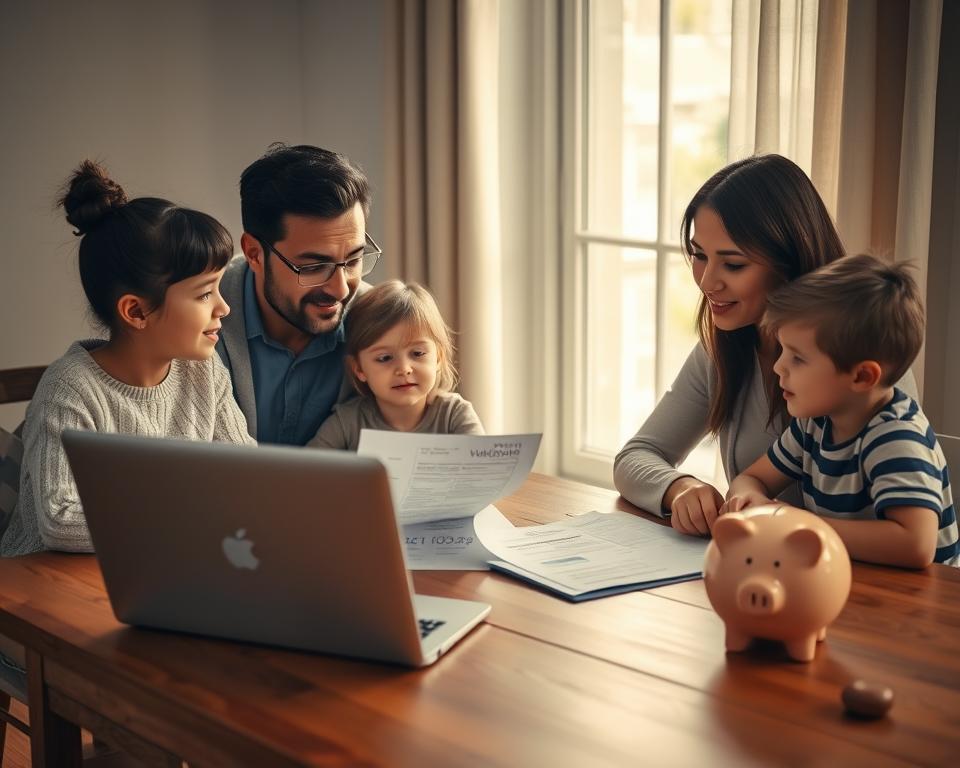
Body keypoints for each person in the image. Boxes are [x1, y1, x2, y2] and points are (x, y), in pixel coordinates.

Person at [613, 154, 918, 536]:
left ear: (790, 261)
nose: (707, 282)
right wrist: (680, 489)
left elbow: (910, 538)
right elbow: (635, 457)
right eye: (699, 255)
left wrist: (789, 524)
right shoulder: (721, 350)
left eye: (734, 265)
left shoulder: (867, 359)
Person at [0, 161, 254, 557]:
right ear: (135, 312)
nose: (223, 307)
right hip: (43, 581)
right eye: (205, 294)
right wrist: (193, 513)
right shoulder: (70, 388)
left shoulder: (205, 372)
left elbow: (248, 475)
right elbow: (60, 520)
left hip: (148, 563)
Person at [722, 254, 956, 568]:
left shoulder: (896, 438)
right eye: (783, 351)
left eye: (798, 358)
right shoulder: (814, 425)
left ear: (861, 376)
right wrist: (751, 500)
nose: (778, 367)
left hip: (915, 605)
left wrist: (796, 522)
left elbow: (916, 545)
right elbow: (751, 478)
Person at [217, 143, 381, 445]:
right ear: (254, 254)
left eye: (354, 260)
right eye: (315, 266)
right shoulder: (197, 323)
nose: (341, 288)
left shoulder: (378, 322)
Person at [308, 280, 483, 450]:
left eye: (417, 354)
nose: (404, 369)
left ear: (438, 358)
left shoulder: (454, 414)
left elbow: (485, 472)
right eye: (385, 358)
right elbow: (305, 474)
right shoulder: (347, 422)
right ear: (359, 369)